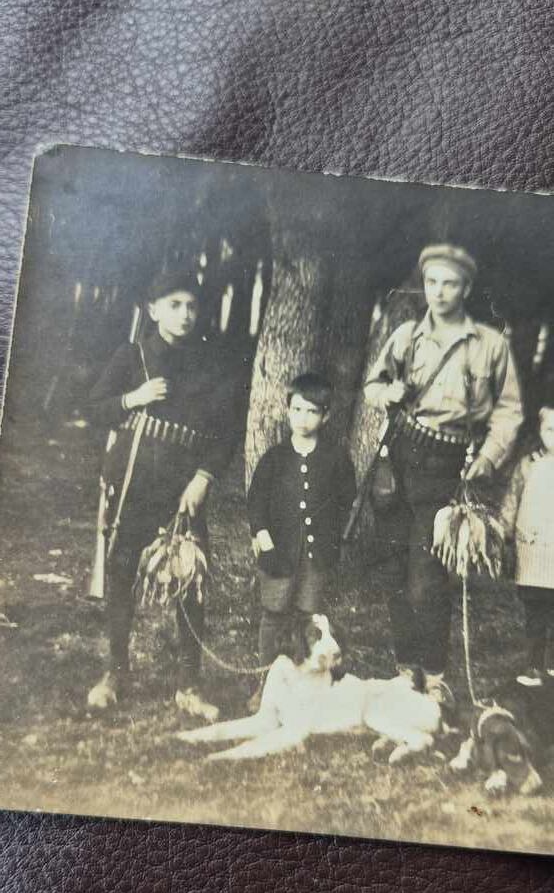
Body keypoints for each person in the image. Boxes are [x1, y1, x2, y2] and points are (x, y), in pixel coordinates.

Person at [86, 267, 247, 717]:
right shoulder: (132, 355)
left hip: (184, 489)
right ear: (153, 310)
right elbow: (95, 407)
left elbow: (227, 433)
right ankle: (114, 671)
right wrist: (132, 399)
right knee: (122, 572)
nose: (185, 315)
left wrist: (203, 479)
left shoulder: (212, 363)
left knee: (190, 579)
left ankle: (189, 685)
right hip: (134, 482)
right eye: (174, 305)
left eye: (192, 306)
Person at [364, 243, 523, 685]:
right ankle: (405, 672)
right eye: (431, 281)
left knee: (426, 583)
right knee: (396, 575)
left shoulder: (489, 346)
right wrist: (385, 395)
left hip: (446, 467)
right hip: (396, 462)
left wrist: (489, 457)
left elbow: (509, 412)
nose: (439, 291)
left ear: (466, 288)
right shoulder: (406, 336)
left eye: (450, 282)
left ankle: (434, 679)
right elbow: (374, 385)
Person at [247, 372, 356, 706]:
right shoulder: (275, 459)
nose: (302, 418)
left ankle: (306, 683)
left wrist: (330, 536)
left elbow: (345, 498)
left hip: (316, 555)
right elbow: (256, 503)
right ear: (287, 411)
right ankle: (266, 685)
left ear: (325, 416)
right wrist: (264, 540)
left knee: (309, 617)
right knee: (274, 614)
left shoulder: (336, 458)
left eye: (311, 411)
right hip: (277, 552)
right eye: (296, 409)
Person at [499, 403, 554, 686]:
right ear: (540, 431)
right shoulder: (528, 465)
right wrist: (503, 531)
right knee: (535, 610)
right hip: (533, 552)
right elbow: (512, 499)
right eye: (550, 430)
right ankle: (533, 665)